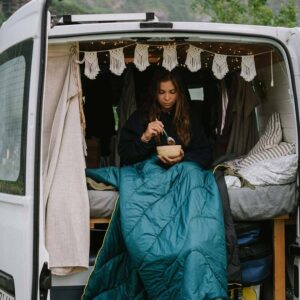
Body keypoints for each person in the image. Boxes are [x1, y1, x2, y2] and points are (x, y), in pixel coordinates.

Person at [118, 68, 212, 168]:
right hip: (149, 175)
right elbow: (125, 155)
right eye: (162, 92)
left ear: (179, 93)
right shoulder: (141, 116)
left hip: (182, 173)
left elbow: (205, 154)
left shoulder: (190, 117)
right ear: (154, 93)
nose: (167, 98)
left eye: (172, 92)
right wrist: (145, 138)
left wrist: (182, 159)